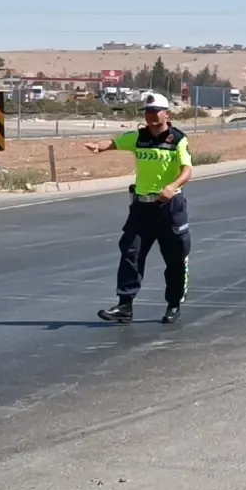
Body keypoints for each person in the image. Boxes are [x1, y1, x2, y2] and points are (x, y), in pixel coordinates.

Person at [85, 93, 193, 325]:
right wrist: (98, 147)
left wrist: (172, 187)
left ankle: (173, 304)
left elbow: (187, 171)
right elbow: (114, 143)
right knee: (130, 253)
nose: (150, 116)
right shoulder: (138, 137)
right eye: (147, 111)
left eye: (155, 111)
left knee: (174, 258)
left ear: (167, 114)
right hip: (142, 208)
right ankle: (125, 305)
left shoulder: (178, 140)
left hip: (169, 207)